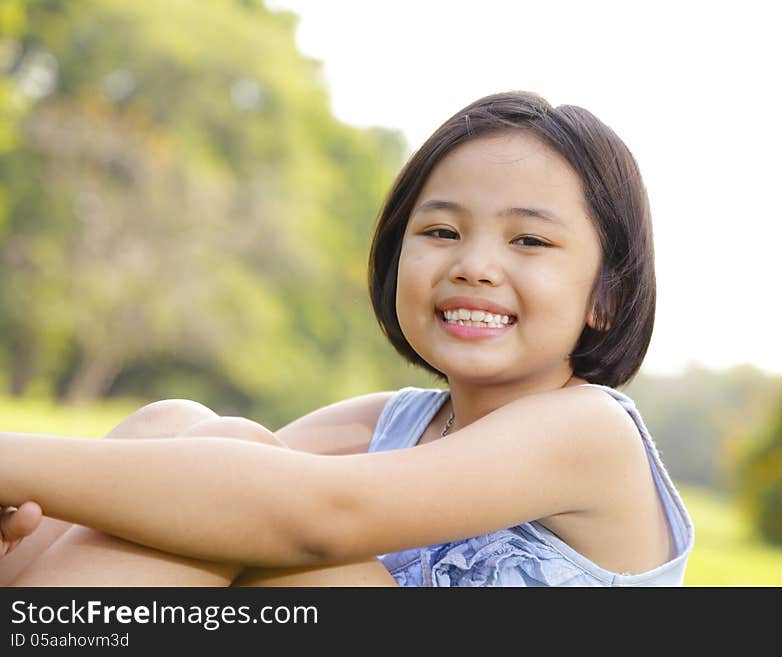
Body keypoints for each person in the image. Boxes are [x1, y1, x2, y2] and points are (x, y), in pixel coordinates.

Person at [0, 90, 694, 587]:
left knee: (251, 499)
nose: (473, 265)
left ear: (608, 295)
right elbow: (200, 490)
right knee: (173, 426)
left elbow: (316, 515)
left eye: (531, 239)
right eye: (441, 231)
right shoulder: (383, 424)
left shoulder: (589, 430)